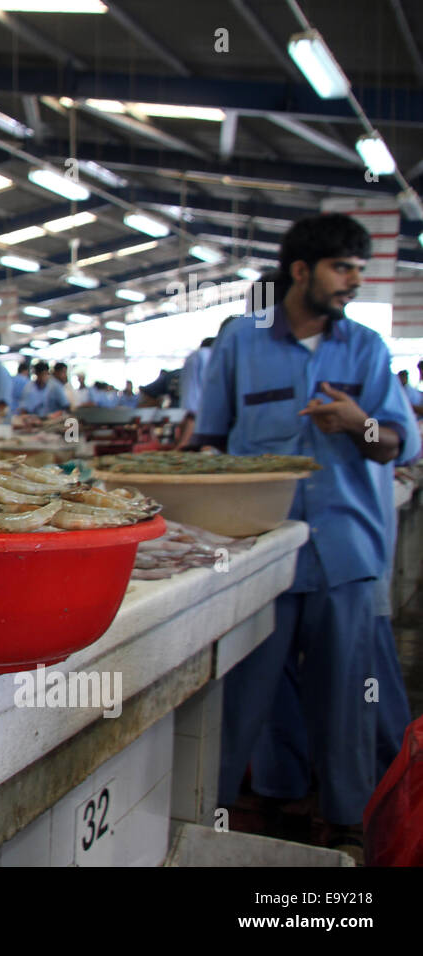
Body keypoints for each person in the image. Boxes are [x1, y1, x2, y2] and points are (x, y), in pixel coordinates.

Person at [199, 213, 421, 854]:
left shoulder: (366, 349)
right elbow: (210, 442)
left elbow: (398, 444)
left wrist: (358, 423)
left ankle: (349, 823)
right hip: (261, 548)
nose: (354, 280)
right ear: (301, 270)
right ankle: (245, 811)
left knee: (348, 694)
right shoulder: (241, 343)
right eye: (342, 267)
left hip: (345, 550)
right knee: (248, 694)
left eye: (358, 268)